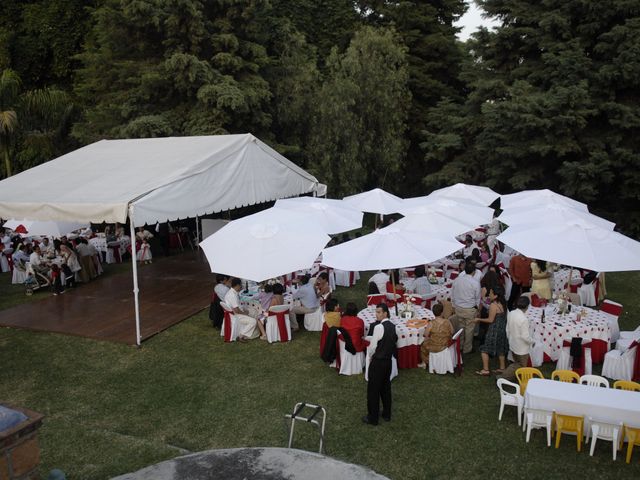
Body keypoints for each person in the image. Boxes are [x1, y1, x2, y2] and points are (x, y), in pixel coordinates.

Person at [363, 303, 397, 426]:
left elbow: (373, 347)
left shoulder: (378, 327)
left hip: (378, 362)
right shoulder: (393, 326)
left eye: (378, 312)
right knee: (385, 388)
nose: (376, 314)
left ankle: (373, 418)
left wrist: (371, 356)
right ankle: (386, 414)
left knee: (373, 391)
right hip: (388, 362)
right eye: (376, 312)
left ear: (385, 313)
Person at [474, 285, 509, 376]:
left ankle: (485, 370)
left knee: (485, 349)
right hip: (502, 329)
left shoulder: (494, 305)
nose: (489, 294)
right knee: (500, 349)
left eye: (490, 293)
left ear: (496, 295)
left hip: (494, 330)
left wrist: (479, 319)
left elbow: (490, 320)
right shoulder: (503, 303)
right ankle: (502, 368)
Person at [449, 262, 481, 354]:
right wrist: (477, 309)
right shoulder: (475, 283)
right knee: (469, 330)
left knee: (461, 328)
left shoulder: (457, 280)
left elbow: (453, 294)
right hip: (470, 309)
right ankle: (467, 349)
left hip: (459, 308)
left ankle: (461, 345)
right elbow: (477, 298)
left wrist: (454, 305)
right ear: (474, 272)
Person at [498, 296, 532, 381]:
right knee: (519, 365)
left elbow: (507, 329)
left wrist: (510, 339)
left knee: (516, 362)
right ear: (527, 306)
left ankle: (518, 377)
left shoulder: (512, 313)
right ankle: (502, 377)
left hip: (513, 343)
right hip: (521, 348)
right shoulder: (524, 319)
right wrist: (532, 341)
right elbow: (525, 337)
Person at [419, 303, 454, 369]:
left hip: (434, 346)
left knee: (423, 345)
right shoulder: (447, 321)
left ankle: (424, 363)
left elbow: (426, 334)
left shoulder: (431, 323)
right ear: (442, 312)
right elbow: (452, 331)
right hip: (445, 344)